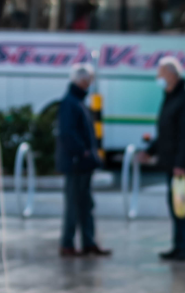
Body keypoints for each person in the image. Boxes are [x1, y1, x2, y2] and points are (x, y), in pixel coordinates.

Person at [138, 57, 185, 261]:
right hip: (172, 164)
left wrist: (181, 164)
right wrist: (150, 151)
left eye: (161, 73)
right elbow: (166, 131)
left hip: (183, 166)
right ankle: (178, 245)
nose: (159, 78)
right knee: (177, 206)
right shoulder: (171, 97)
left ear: (173, 75)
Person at [56, 63, 110, 258]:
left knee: (85, 204)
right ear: (81, 81)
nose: (90, 84)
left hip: (82, 163)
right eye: (88, 81)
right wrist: (84, 153)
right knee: (74, 205)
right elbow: (67, 133)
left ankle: (88, 242)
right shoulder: (71, 102)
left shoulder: (77, 101)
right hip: (76, 163)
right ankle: (68, 243)